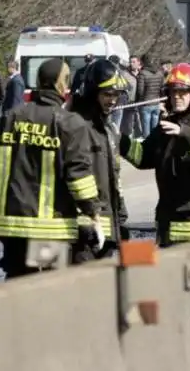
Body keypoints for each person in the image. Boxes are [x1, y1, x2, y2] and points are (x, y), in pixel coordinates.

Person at [0, 58, 104, 278]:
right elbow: (79, 178)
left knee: (17, 288)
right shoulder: (69, 123)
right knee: (44, 290)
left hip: (10, 229)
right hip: (50, 230)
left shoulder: (9, 118)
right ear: (62, 84)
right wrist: (94, 213)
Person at [120, 63, 190, 246]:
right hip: (169, 223)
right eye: (172, 92)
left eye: (182, 92)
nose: (176, 97)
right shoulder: (166, 125)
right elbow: (143, 156)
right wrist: (119, 140)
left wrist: (184, 133)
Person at [69, 59, 131, 261]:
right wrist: (91, 219)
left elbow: (114, 178)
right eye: (107, 94)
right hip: (84, 229)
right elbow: (77, 174)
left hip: (106, 225)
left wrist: (120, 220)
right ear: (92, 93)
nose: (112, 100)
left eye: (116, 95)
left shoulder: (107, 128)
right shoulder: (79, 126)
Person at [136, 55, 163, 138]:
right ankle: (154, 144)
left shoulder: (142, 73)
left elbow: (140, 91)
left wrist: (139, 100)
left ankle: (147, 145)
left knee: (146, 129)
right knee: (154, 128)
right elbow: (162, 88)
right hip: (156, 102)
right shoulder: (160, 73)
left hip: (146, 103)